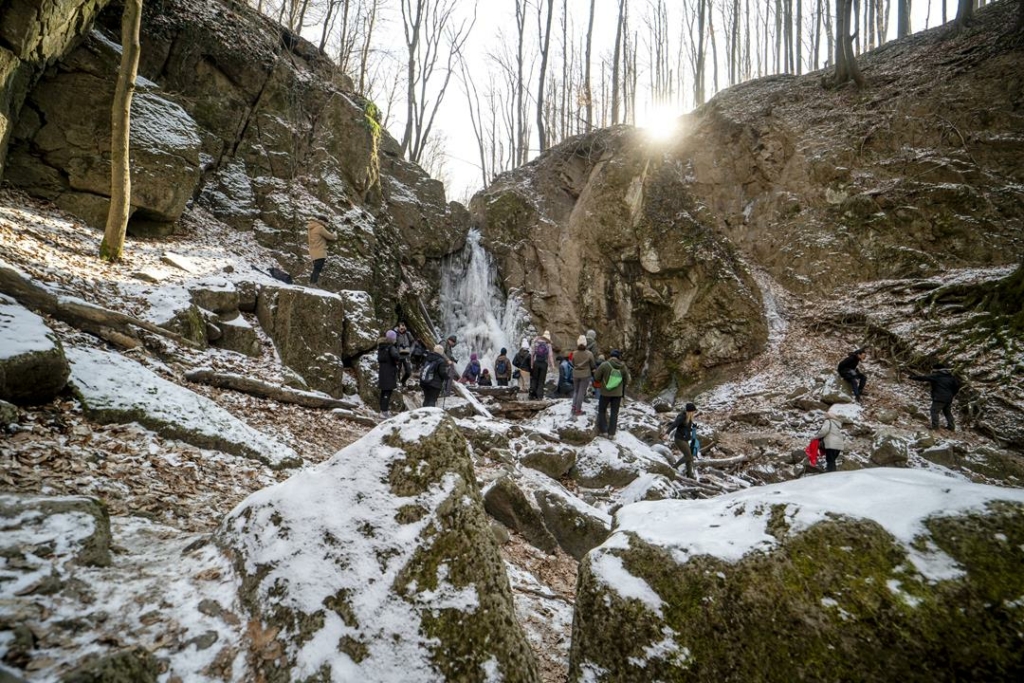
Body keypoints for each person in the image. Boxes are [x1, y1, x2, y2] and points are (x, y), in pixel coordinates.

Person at [909, 364, 961, 431]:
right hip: (949, 398)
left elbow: (924, 377)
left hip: (939, 397)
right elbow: (957, 387)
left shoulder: (937, 375)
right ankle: (951, 427)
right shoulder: (951, 377)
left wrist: (912, 377)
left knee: (934, 411)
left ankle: (935, 427)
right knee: (947, 412)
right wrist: (952, 394)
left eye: (933, 369)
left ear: (936, 369)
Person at [593, 349, 631, 437]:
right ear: (619, 357)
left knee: (602, 411)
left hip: (605, 392)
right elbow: (627, 381)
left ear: (610, 356)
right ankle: (611, 433)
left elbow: (596, 377)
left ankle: (604, 431)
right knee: (614, 413)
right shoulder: (623, 367)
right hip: (617, 394)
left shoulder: (604, 365)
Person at [665, 402, 699, 478]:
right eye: (693, 411)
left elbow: (686, 428)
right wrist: (667, 433)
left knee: (689, 457)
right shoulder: (682, 416)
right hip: (679, 439)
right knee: (689, 457)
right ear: (689, 411)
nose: (694, 413)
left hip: (685, 439)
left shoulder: (688, 417)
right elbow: (674, 424)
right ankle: (674, 467)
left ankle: (690, 475)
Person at [570, 335, 596, 416]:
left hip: (575, 374)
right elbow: (593, 365)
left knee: (576, 391)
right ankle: (578, 410)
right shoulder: (589, 354)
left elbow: (573, 363)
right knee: (581, 392)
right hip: (585, 375)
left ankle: (573, 407)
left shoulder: (574, 353)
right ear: (585, 344)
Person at [307, 216, 337, 284]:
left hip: (313, 251)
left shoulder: (311, 228)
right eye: (326, 223)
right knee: (317, 269)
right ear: (323, 221)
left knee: (315, 268)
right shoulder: (320, 228)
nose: (327, 225)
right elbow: (331, 237)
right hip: (320, 252)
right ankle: (313, 283)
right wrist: (335, 232)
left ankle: (311, 282)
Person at [377, 329, 400, 417]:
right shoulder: (391, 347)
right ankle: (384, 412)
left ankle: (382, 410)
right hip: (389, 372)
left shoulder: (381, 347)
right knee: (387, 392)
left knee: (384, 391)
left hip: (382, 372)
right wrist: (397, 360)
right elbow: (395, 356)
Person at [814, 408, 846, 472]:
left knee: (830, 461)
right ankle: (832, 474)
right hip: (839, 445)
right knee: (832, 461)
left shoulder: (828, 421)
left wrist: (815, 437)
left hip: (831, 444)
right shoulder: (837, 424)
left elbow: (824, 431)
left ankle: (831, 476)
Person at [529, 330, 553, 400]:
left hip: (536, 363)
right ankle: (539, 396)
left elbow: (532, 354)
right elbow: (550, 356)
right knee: (541, 380)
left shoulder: (536, 343)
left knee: (534, 379)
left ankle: (532, 394)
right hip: (544, 364)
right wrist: (552, 366)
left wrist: (532, 364)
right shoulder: (548, 345)